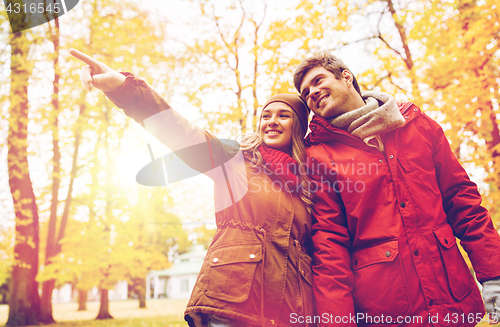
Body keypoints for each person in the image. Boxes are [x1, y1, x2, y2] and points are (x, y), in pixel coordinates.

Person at [70, 49, 316, 327]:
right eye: (266, 115)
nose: (271, 121)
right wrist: (123, 88)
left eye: (283, 115)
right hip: (231, 302)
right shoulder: (235, 161)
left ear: (299, 126)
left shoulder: (309, 185)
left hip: (290, 313)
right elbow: (179, 131)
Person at [292, 52, 500, 326]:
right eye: (306, 93)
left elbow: (462, 201)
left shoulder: (418, 126)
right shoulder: (318, 156)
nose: (312, 93)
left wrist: (494, 274)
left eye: (318, 81)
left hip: (452, 300)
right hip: (385, 311)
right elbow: (329, 245)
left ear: (346, 77)